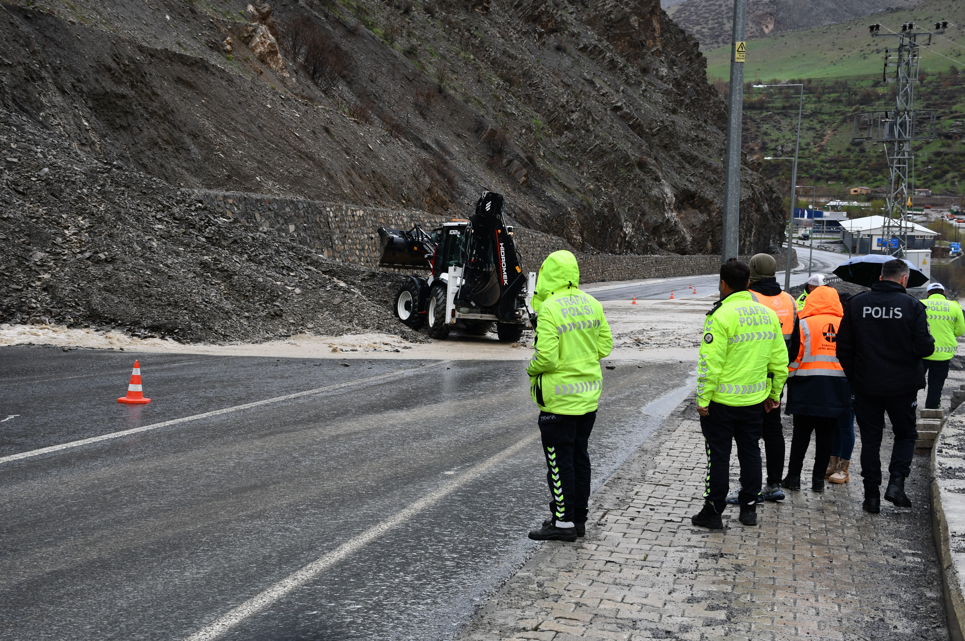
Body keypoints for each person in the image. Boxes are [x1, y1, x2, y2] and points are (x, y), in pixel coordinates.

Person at [693, 259, 789, 529]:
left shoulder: (720, 316)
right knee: (750, 452)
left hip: (721, 404)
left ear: (723, 284)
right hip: (754, 402)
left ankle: (713, 512)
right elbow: (779, 362)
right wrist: (774, 393)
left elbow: (710, 364)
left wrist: (703, 399)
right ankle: (749, 509)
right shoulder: (768, 315)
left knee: (719, 456)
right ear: (748, 283)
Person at [526, 250, 613, 542]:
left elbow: (547, 358)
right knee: (579, 458)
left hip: (558, 401)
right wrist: (581, 356)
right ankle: (578, 519)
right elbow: (605, 347)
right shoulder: (593, 304)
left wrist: (531, 368)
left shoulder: (550, 308)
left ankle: (562, 523)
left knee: (558, 461)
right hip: (587, 398)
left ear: (548, 275)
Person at [836, 259, 935, 513]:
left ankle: (871, 497)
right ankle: (896, 484)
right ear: (904, 279)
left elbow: (843, 349)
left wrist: (855, 378)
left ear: (880, 277)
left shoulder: (856, 304)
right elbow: (925, 347)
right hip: (902, 387)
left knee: (871, 441)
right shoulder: (913, 306)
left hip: (866, 385)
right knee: (905, 435)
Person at [781, 285, 851, 493]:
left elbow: (794, 357)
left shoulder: (803, 324)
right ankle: (818, 480)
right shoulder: (845, 324)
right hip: (836, 387)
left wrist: (789, 378)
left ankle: (793, 477)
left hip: (806, 386)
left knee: (801, 434)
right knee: (826, 435)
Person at [746, 253, 798, 501]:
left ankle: (750, 487)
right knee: (773, 430)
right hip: (777, 375)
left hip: (750, 375)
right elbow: (796, 342)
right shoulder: (789, 300)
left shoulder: (750, 299)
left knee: (749, 433)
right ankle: (774, 483)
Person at [922, 282, 965, 410]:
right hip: (943, 354)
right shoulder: (954, 306)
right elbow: (959, 331)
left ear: (928, 293)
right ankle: (932, 408)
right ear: (944, 293)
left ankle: (909, 407)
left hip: (921, 352)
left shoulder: (919, 303)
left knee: (913, 383)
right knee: (936, 384)